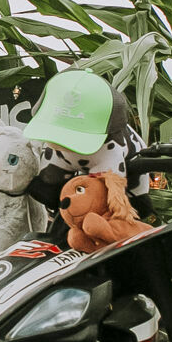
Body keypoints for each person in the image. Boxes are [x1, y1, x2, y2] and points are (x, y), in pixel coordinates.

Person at [20, 67, 154, 230]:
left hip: (113, 169)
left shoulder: (110, 148)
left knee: (123, 205)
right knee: (47, 184)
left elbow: (112, 185)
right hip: (73, 161)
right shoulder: (56, 148)